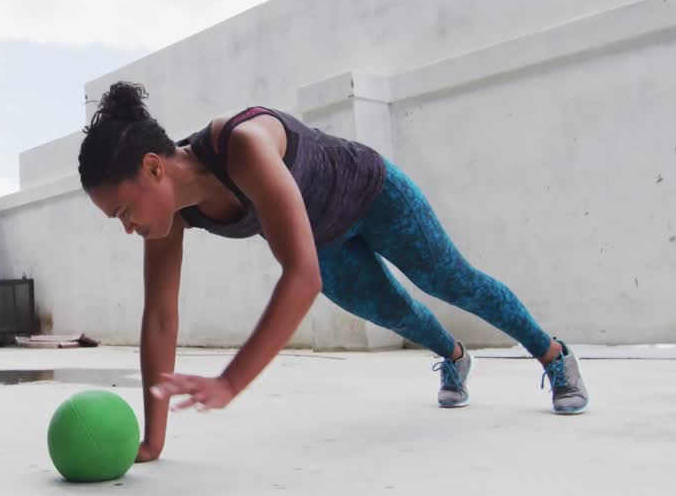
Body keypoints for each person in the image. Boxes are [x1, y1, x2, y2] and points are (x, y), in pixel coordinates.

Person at [77, 81, 588, 463]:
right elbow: (161, 317)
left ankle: (553, 355)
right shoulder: (169, 219)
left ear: (153, 167)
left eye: (124, 212)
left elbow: (300, 277)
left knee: (451, 281)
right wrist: (153, 440)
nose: (128, 227)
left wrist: (230, 382)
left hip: (375, 196)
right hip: (326, 243)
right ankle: (454, 356)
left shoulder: (240, 144)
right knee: (396, 314)